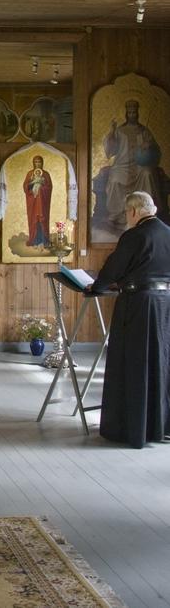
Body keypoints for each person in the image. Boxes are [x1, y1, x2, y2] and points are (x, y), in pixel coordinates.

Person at [89, 191, 170, 448]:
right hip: (165, 304)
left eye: (127, 213)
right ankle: (160, 427)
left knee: (135, 361)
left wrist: (97, 287)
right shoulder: (168, 233)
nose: (127, 217)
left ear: (134, 211)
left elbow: (114, 268)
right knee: (161, 361)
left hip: (138, 304)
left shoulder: (135, 235)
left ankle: (132, 428)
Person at [103, 99, 164, 230]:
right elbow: (111, 150)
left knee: (147, 173)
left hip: (140, 166)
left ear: (137, 113)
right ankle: (116, 215)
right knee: (114, 178)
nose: (132, 115)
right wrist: (112, 132)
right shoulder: (120, 130)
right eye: (129, 112)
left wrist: (149, 146)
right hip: (122, 165)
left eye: (134, 112)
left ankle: (146, 215)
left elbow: (156, 151)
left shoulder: (144, 131)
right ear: (126, 114)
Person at [23, 155, 52, 247]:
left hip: (43, 202)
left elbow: (49, 187)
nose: (38, 164)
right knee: (33, 219)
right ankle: (34, 240)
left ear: (42, 163)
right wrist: (33, 183)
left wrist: (41, 187)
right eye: (36, 162)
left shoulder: (46, 174)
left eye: (39, 162)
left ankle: (44, 241)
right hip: (33, 202)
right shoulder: (30, 174)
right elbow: (26, 187)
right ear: (33, 163)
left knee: (43, 219)